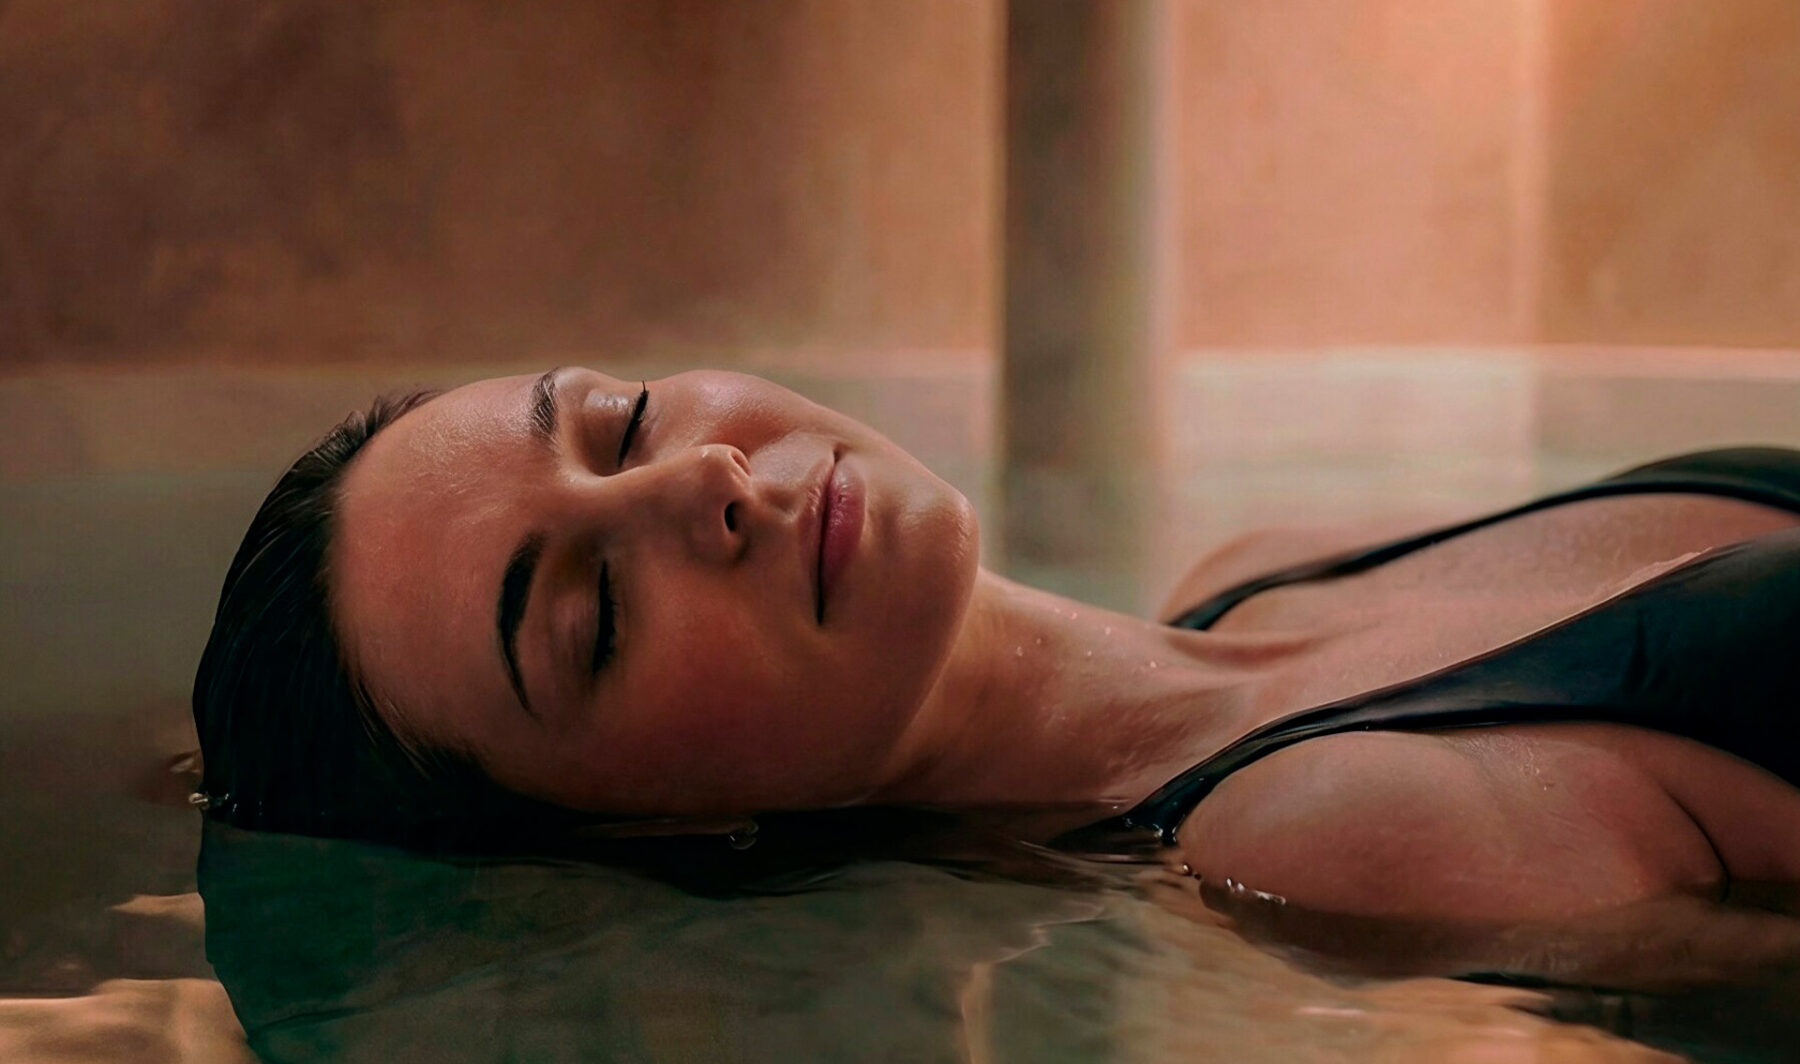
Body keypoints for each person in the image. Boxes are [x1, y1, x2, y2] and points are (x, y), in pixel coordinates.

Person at [192, 366, 1800, 932]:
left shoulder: (1265, 570)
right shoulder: (1324, 842)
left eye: (621, 421)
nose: (705, 482)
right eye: (592, 618)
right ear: (653, 825)